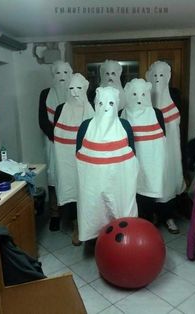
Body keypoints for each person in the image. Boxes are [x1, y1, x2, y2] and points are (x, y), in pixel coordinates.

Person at [76, 86, 139, 242]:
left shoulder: (125, 126)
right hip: (93, 184)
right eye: (101, 103)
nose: (106, 108)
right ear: (96, 103)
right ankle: (94, 240)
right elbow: (78, 155)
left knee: (121, 212)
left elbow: (133, 155)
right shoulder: (85, 126)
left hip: (120, 182)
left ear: (117, 105)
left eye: (110, 103)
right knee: (94, 213)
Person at [145, 61, 186, 233]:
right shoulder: (143, 95)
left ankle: (168, 217)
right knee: (151, 180)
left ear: (168, 77)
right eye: (154, 75)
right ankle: (151, 216)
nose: (157, 79)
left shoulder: (174, 95)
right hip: (150, 150)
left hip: (170, 149)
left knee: (168, 180)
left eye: (161, 75)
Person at [53, 73, 94, 244]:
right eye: (71, 88)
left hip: (86, 159)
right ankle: (76, 225)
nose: (75, 93)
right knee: (70, 187)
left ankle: (90, 225)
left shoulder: (93, 109)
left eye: (79, 88)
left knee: (87, 187)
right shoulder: (60, 110)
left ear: (85, 89)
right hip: (65, 159)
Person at [121, 78, 167, 223]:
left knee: (148, 190)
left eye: (143, 94)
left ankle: (149, 220)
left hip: (151, 162)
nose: (139, 99)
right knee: (131, 191)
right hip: (130, 161)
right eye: (134, 94)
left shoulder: (157, 114)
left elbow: (163, 138)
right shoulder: (122, 113)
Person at [39, 60, 73, 231]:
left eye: (65, 73)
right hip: (53, 143)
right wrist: (58, 137)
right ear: (53, 75)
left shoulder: (76, 92)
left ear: (70, 74)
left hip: (72, 144)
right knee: (54, 176)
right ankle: (55, 214)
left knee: (72, 175)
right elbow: (43, 120)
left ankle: (73, 214)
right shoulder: (45, 94)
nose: (62, 77)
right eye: (58, 73)